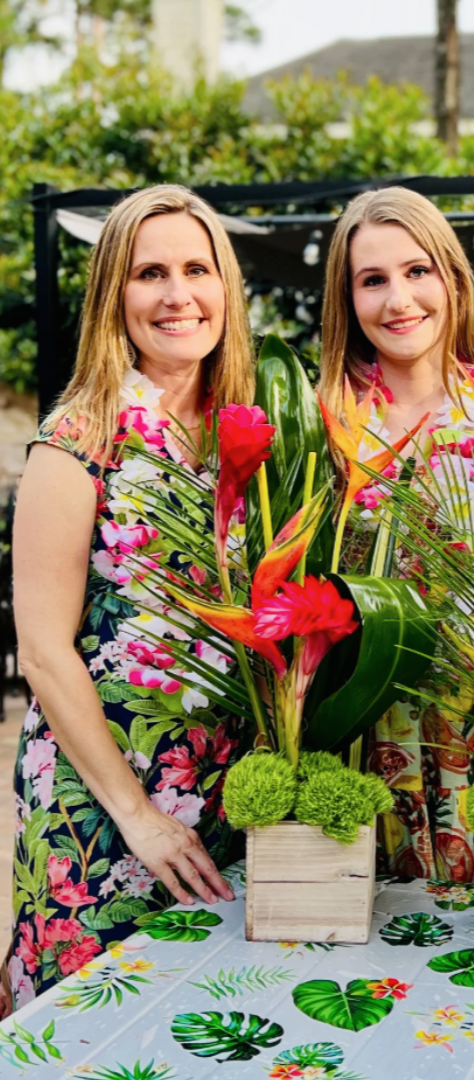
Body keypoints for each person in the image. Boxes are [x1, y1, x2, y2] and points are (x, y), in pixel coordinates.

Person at [5, 184, 254, 1011]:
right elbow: (42, 650)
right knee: (92, 1032)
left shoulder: (250, 433)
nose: (178, 295)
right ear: (116, 294)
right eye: (150, 272)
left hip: (230, 797)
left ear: (226, 287)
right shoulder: (76, 437)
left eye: (196, 268)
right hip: (104, 802)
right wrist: (137, 814)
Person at [320, 186, 474, 882]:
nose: (399, 300)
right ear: (349, 299)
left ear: (451, 278)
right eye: (373, 280)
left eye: (417, 271)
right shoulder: (323, 425)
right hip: (361, 733)